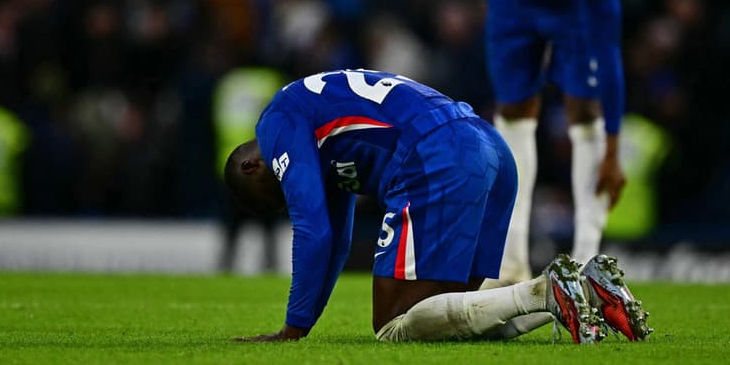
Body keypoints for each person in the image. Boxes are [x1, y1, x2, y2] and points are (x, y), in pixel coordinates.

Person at [224, 69, 650, 343]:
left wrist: (291, 331)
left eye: (276, 196)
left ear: (250, 166)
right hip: (486, 149)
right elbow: (336, 237)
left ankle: (547, 292)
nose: (288, 196)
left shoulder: (277, 122)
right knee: (451, 325)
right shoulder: (315, 133)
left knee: (393, 325)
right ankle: (585, 290)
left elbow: (313, 229)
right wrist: (302, 325)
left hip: (435, 154)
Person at [437, 0, 627, 284]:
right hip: (511, 0)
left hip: (570, 4)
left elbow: (609, 54)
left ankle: (585, 263)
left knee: (583, 106)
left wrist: (613, 147)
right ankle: (510, 261)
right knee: (513, 109)